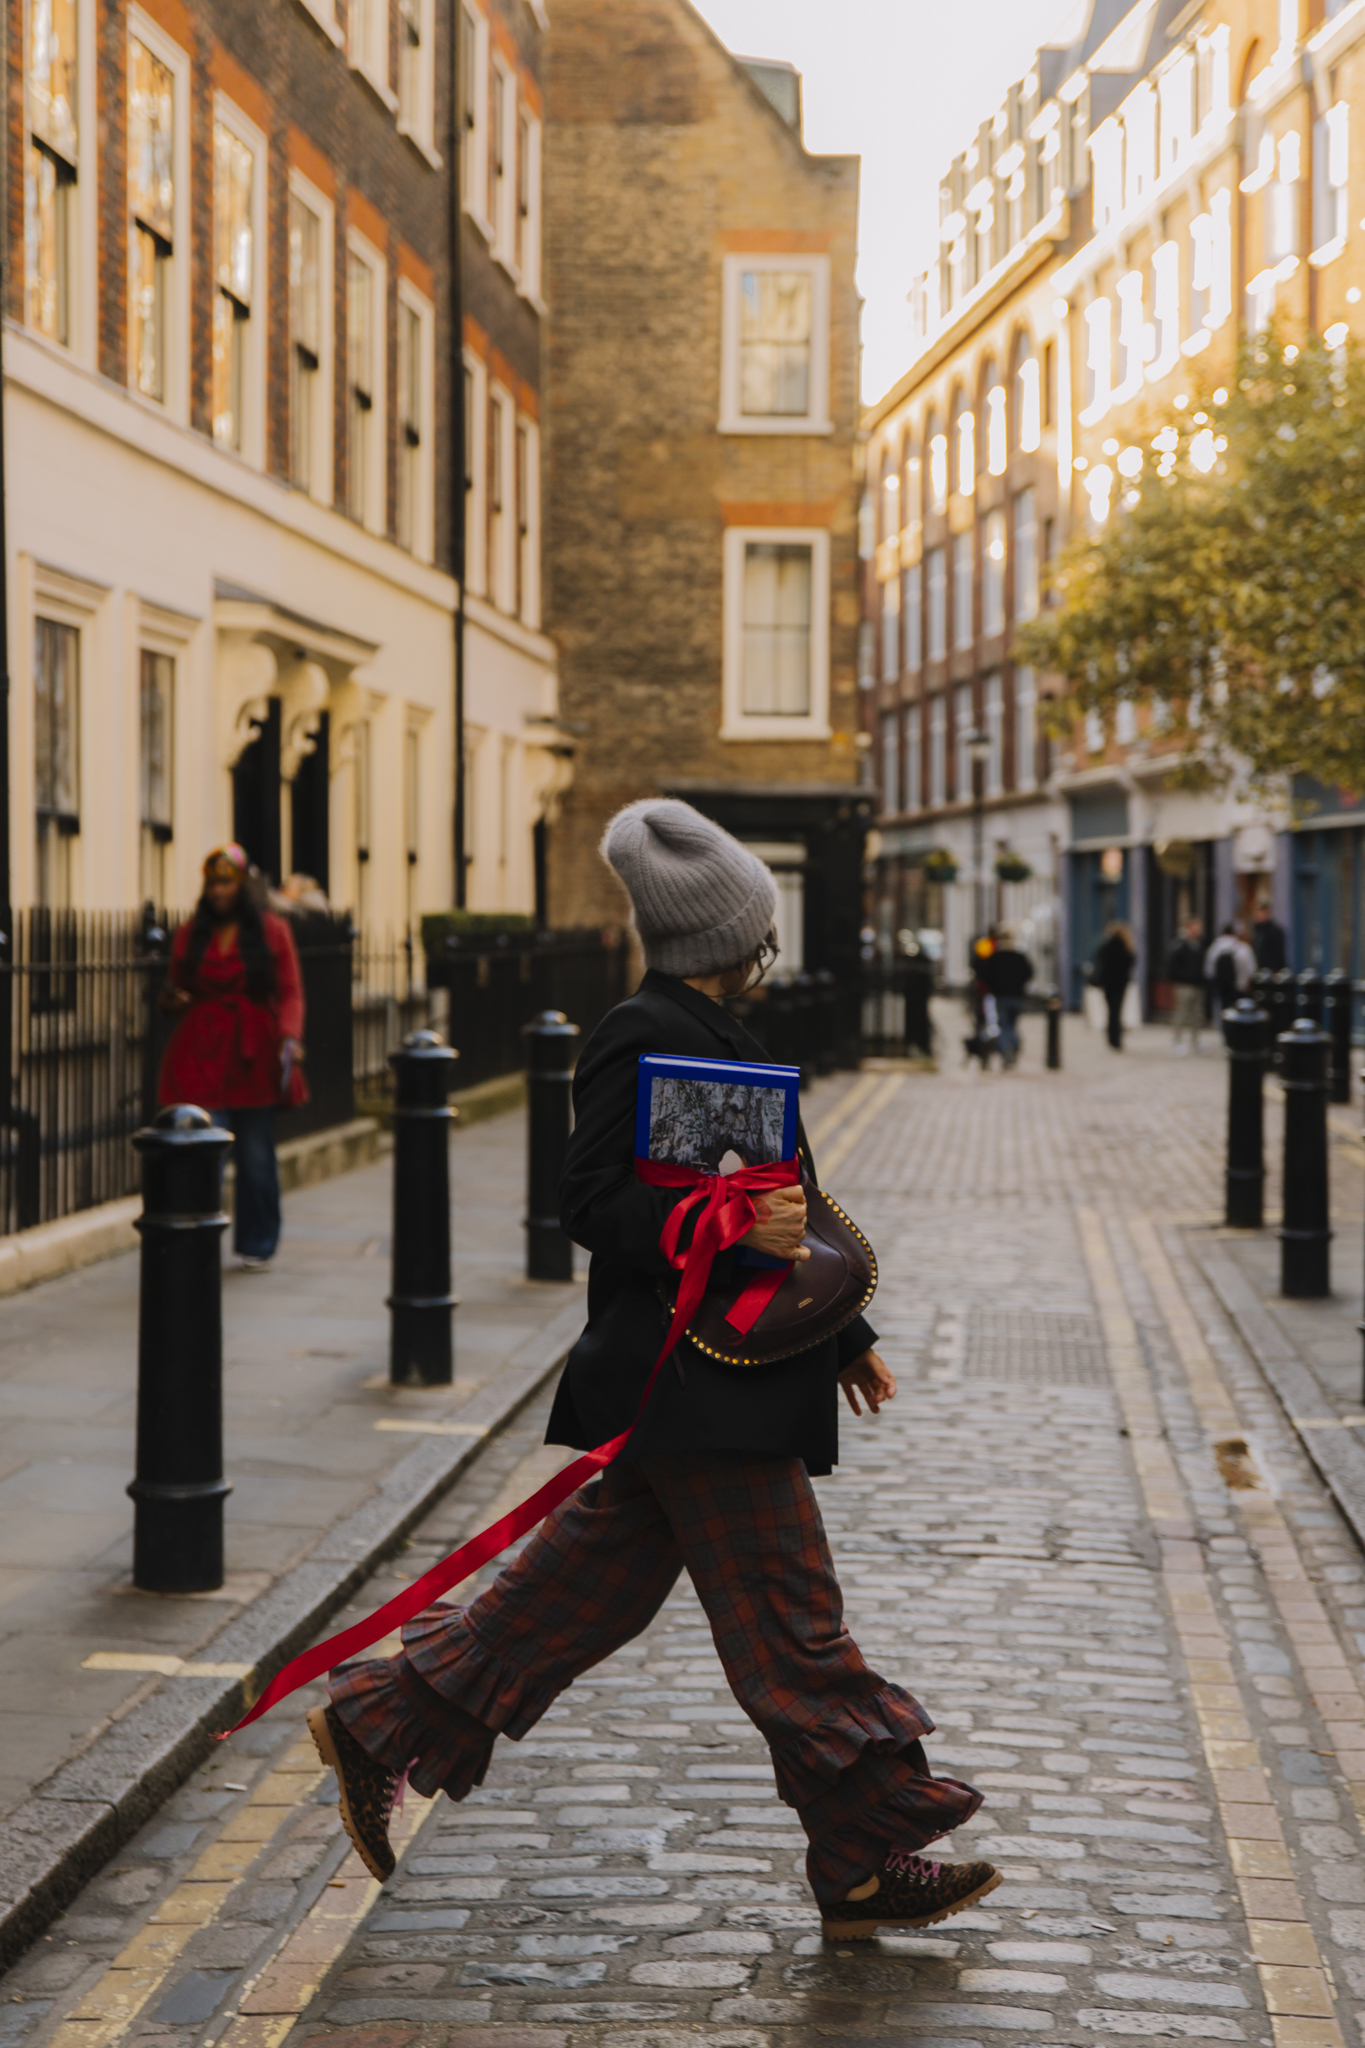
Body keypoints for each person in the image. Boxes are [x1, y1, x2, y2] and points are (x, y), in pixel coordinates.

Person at [307, 799, 999, 1939]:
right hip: (695, 1382)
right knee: (793, 1623)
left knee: (577, 1597)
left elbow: (792, 1202)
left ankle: (385, 1717)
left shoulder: (725, 1030)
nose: (768, 949)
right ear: (731, 933)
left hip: (732, 1374)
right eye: (760, 931)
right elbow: (593, 1202)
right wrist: (723, 1226)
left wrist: (846, 1338)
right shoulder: (637, 1028)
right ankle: (867, 1843)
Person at [159, 845, 306, 1270]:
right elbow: (174, 989)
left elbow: (291, 991)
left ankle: (258, 1243)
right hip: (201, 1049)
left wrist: (289, 1038)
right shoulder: (191, 933)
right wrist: (172, 999)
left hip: (253, 1052)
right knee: (203, 1152)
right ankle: (197, 1239)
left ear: (242, 887)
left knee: (257, 1158)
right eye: (213, 883)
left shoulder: (274, 931)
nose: (219, 890)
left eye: (227, 882)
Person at [978, 924, 1033, 1068]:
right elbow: (1028, 973)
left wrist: (994, 987)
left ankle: (1006, 1051)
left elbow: (985, 975)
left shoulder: (995, 957)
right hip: (1017, 996)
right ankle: (1013, 1047)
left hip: (1001, 996)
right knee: (1013, 1024)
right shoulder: (1019, 956)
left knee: (1003, 1025)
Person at [1093, 920, 1137, 1049]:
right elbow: (1131, 962)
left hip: (1108, 983)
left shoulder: (1106, 945)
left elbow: (1099, 961)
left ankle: (1112, 1037)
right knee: (1117, 1010)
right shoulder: (1126, 946)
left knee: (1111, 1011)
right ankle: (1116, 1038)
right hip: (1120, 983)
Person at [1165, 917, 1206, 1056]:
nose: (1199, 930)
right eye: (1196, 926)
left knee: (1197, 1015)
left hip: (1197, 984)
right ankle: (1177, 1041)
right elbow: (1172, 965)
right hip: (1183, 985)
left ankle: (1195, 1042)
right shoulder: (1180, 944)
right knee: (1181, 1013)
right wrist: (1180, 978)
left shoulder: (1199, 944)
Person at [1204, 921, 1256, 1023]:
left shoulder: (1214, 948)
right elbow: (1251, 969)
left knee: (1225, 1012)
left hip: (1222, 986)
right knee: (1241, 1012)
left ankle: (1226, 1032)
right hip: (1240, 987)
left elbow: (1208, 970)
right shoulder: (1243, 948)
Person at [1252, 902, 1288, 974]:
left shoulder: (1275, 932)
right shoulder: (1256, 930)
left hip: (1272, 971)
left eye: (1260, 913)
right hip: (1259, 971)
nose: (1257, 916)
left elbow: (1279, 954)